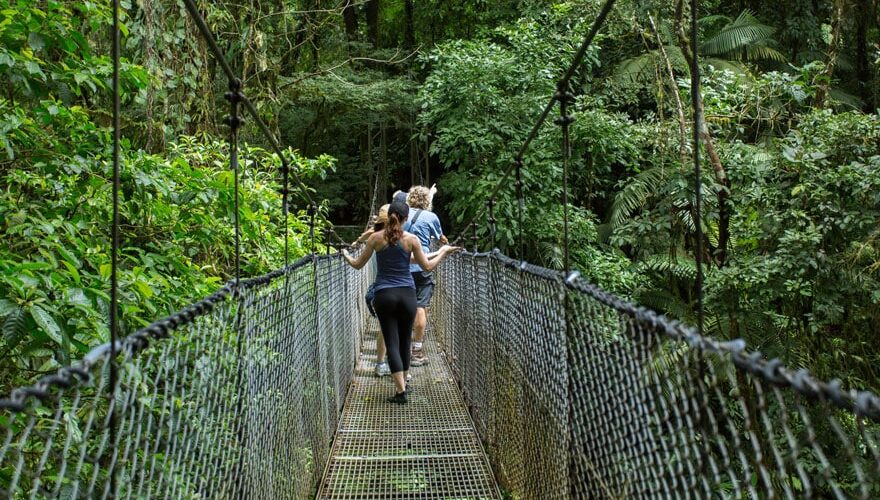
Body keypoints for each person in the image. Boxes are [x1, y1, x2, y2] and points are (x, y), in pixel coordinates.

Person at [343, 201, 459, 404]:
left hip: (384, 296)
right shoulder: (411, 239)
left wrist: (345, 254)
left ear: (389, 217)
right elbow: (426, 265)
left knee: (392, 342)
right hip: (408, 296)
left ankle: (400, 392)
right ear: (405, 218)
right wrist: (442, 252)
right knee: (406, 341)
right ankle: (403, 385)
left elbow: (357, 264)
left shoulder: (375, 239)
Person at [404, 185, 447, 366]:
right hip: (423, 266)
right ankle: (417, 350)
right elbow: (439, 238)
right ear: (427, 201)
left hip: (402, 267)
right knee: (420, 307)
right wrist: (446, 243)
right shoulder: (431, 217)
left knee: (403, 308)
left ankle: (400, 348)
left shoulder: (401, 215)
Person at [354, 204, 391, 377]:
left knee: (386, 327)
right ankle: (399, 369)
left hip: (381, 286)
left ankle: (381, 363)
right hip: (404, 286)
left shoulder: (374, 235)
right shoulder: (405, 235)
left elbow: (358, 263)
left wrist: (353, 246)